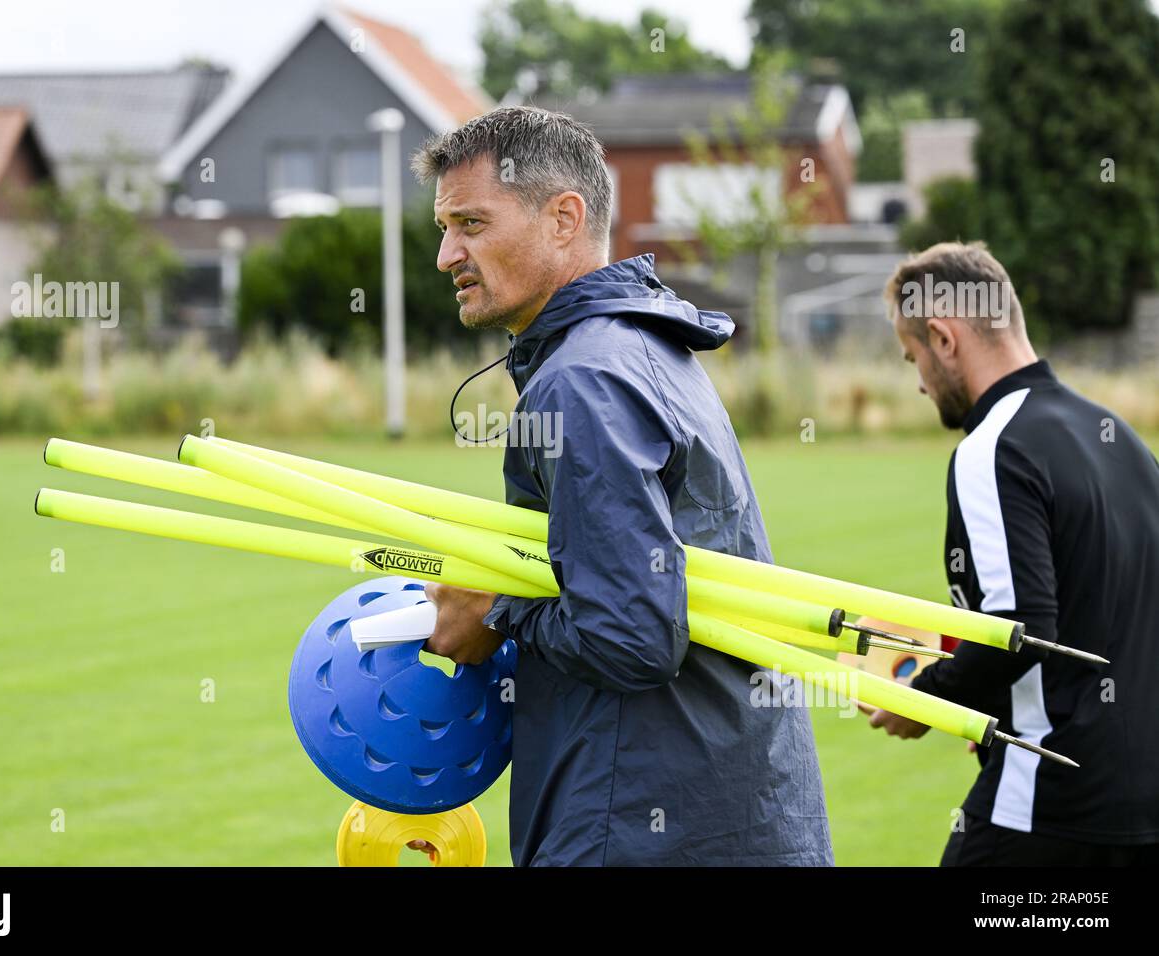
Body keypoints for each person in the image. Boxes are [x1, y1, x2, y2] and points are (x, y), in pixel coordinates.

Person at [406, 106, 833, 866]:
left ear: (564, 217)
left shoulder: (584, 382)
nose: (447, 254)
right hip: (726, 812)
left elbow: (630, 635)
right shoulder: (643, 347)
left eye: (471, 222)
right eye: (444, 227)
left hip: (640, 825)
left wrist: (495, 609)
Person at [872, 241, 1159, 865]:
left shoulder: (992, 447)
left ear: (944, 338)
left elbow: (1017, 626)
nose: (919, 383)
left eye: (912, 355)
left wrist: (924, 697)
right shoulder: (1124, 442)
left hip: (1050, 801)